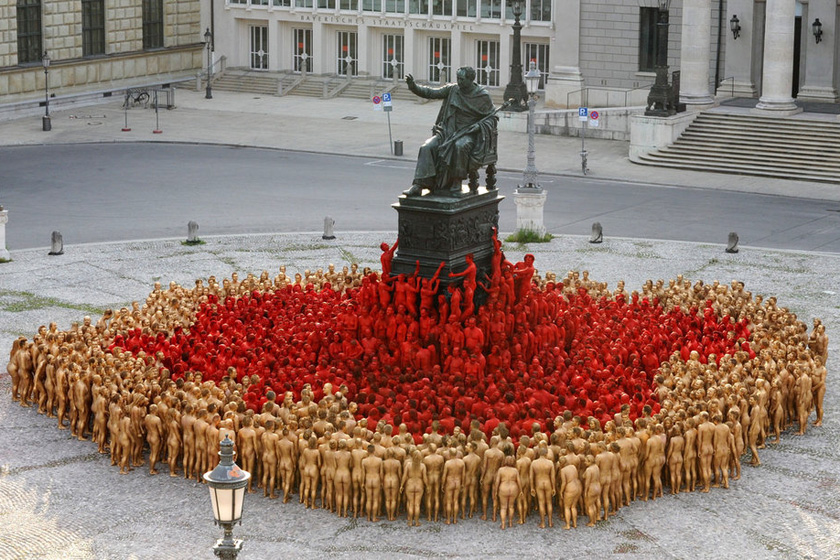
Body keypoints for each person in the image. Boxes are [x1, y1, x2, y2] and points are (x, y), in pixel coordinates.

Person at [403, 67, 497, 196]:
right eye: (458, 78)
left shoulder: (482, 96)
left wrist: (479, 127)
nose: (459, 82)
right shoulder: (453, 89)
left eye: (462, 79)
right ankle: (419, 184)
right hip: (448, 131)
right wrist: (413, 86)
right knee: (427, 147)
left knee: (460, 146)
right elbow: (431, 93)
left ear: (471, 79)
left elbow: (492, 118)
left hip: (469, 134)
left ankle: (456, 183)